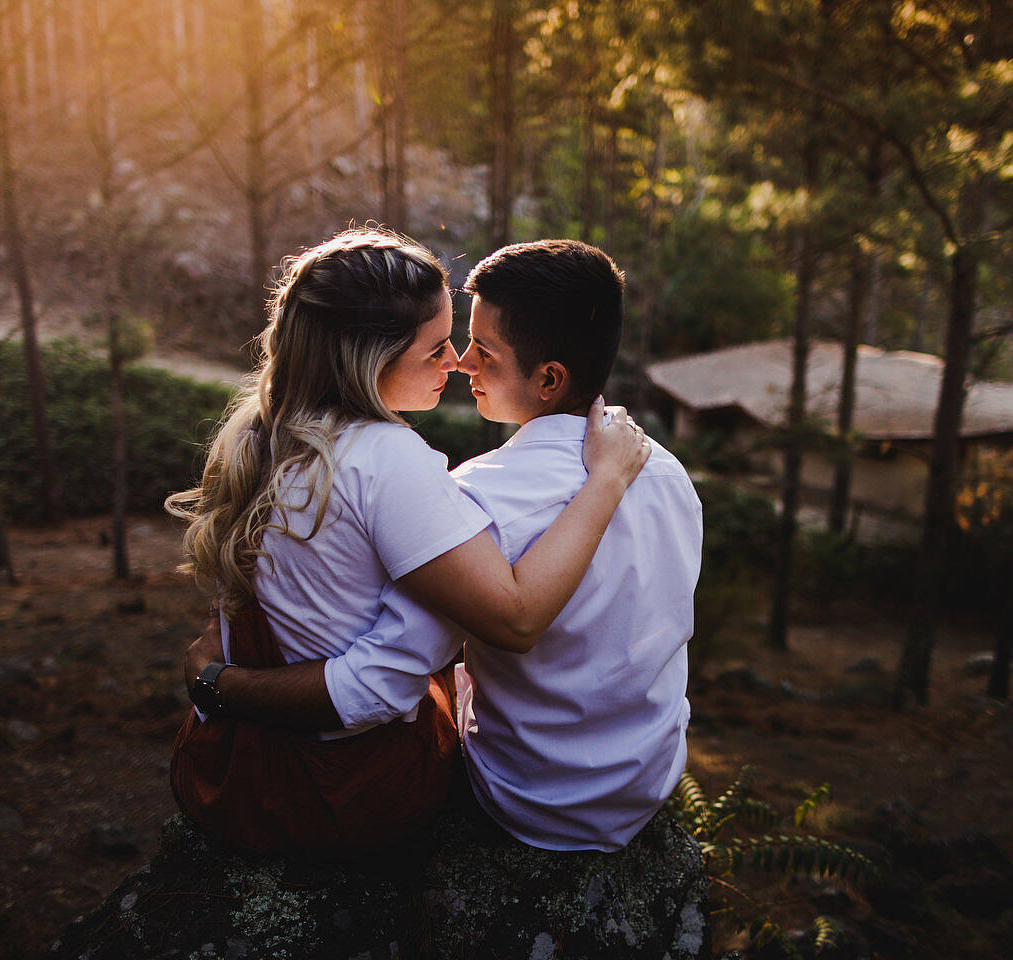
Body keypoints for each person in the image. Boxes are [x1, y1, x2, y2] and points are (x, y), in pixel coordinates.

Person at [184, 238, 703, 852]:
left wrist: (221, 682)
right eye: (444, 347)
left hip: (529, 797)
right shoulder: (665, 470)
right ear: (368, 359)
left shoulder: (462, 492)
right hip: (646, 779)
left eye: (480, 349)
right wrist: (609, 478)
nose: (459, 363)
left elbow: (426, 657)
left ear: (548, 378)